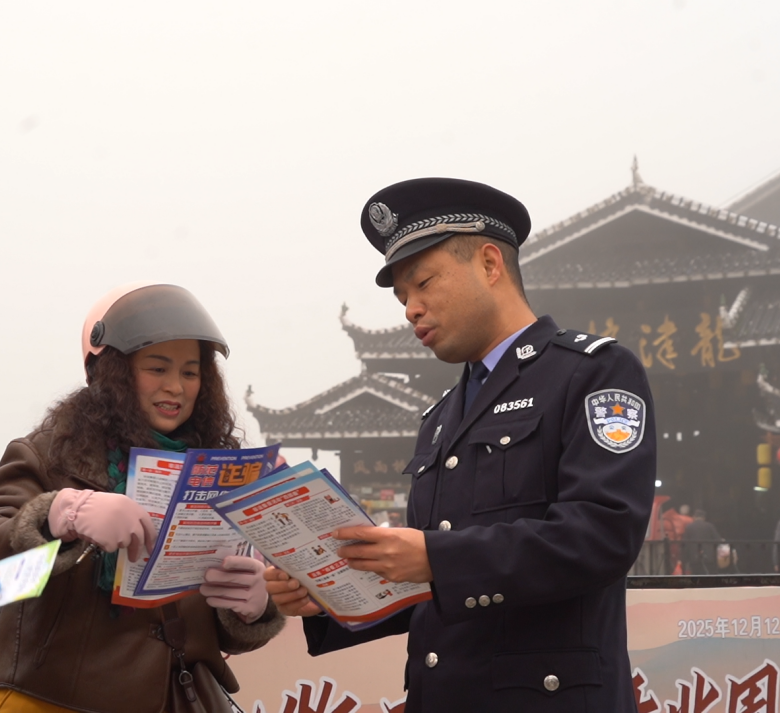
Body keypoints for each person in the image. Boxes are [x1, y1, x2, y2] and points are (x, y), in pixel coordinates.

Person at [264, 178, 657, 711]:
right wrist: (328, 597)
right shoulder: (439, 418)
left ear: (490, 264)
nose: (411, 309)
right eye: (403, 298)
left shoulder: (592, 372)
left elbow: (602, 535)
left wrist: (434, 557)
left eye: (423, 283)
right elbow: (437, 590)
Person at [0, 283, 284, 713]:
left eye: (191, 373)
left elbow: (211, 626)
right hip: (56, 700)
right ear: (111, 371)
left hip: (179, 698)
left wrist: (250, 609)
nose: (176, 386)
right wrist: (61, 514)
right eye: (157, 368)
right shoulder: (48, 452)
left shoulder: (213, 468)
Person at [680, 509, 723, 574]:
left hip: (694, 558)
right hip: (709, 557)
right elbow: (718, 540)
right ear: (704, 518)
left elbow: (684, 543)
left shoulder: (689, 527)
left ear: (694, 517)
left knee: (697, 575)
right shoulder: (710, 526)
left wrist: (684, 558)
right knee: (709, 575)